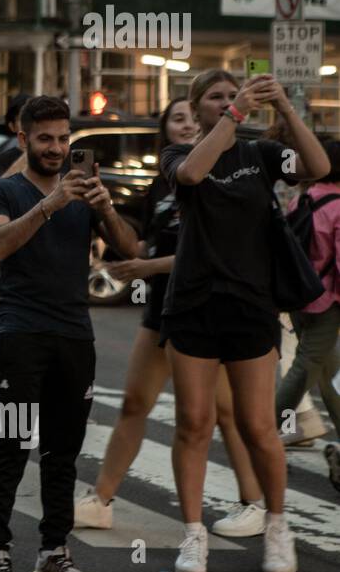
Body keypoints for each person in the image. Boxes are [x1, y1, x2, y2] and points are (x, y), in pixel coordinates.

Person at [161, 70, 329, 572]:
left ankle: (278, 527)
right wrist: (236, 115)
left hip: (251, 305)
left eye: (233, 96)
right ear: (197, 108)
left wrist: (285, 109)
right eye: (215, 98)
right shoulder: (179, 155)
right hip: (193, 304)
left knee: (259, 426)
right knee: (193, 422)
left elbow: (317, 166)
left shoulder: (260, 154)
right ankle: (194, 535)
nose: (227, 103)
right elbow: (191, 176)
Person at [75, 98, 267, 538]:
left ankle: (254, 503)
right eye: (174, 119)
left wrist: (148, 268)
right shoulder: (162, 185)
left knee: (225, 413)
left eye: (188, 117)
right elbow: (139, 247)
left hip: (209, 311)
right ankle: (100, 500)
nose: (183, 125)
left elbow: (217, 254)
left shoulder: (224, 177)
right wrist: (105, 210)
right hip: (163, 309)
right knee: (134, 403)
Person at [0, 95, 139, 572]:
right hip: (23, 333)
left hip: (75, 335)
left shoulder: (85, 194)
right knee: (10, 445)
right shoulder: (2, 192)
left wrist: (104, 207)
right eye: (45, 138)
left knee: (62, 452)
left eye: (64, 138)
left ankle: (53, 553)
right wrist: (50, 205)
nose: (56, 147)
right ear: (23, 140)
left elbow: (131, 251)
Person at [276, 138, 340, 441]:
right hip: (328, 303)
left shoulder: (301, 199)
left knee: (330, 373)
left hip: (300, 297)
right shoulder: (339, 205)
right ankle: (261, 425)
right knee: (307, 367)